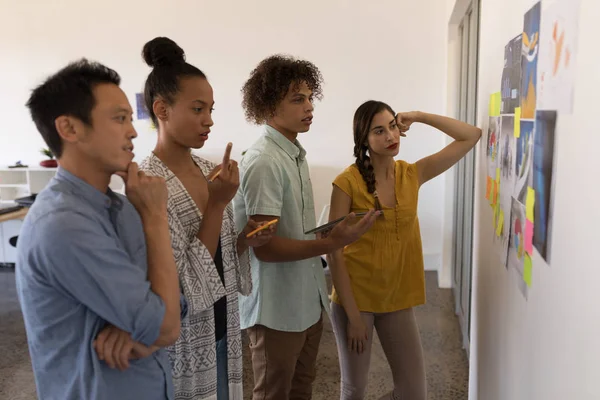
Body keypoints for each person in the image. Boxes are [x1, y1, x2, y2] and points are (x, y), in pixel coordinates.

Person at [16, 59, 184, 400]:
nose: (134, 131)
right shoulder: (63, 224)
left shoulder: (122, 207)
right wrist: (156, 218)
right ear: (70, 128)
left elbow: (175, 304)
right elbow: (166, 325)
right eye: (119, 118)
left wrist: (141, 331)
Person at [234, 55, 380, 400]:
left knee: (301, 390)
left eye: (310, 97)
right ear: (269, 105)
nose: (309, 107)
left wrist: (331, 231)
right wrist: (332, 244)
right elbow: (264, 247)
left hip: (306, 299)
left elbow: (290, 232)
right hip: (276, 308)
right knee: (273, 393)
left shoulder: (293, 154)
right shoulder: (265, 161)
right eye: (298, 99)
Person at [136, 37, 274, 400]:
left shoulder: (210, 171)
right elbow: (179, 280)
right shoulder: (147, 183)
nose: (209, 120)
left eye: (211, 109)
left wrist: (244, 239)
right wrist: (216, 205)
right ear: (162, 110)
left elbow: (217, 254)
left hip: (223, 323)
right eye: (198, 109)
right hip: (183, 338)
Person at [327, 101, 482, 400]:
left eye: (393, 126)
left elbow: (470, 136)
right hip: (356, 300)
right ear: (364, 140)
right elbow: (333, 252)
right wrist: (355, 318)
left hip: (397, 298)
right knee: (354, 389)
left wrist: (419, 116)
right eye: (379, 131)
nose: (390, 136)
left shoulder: (412, 174)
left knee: (413, 392)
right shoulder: (346, 183)